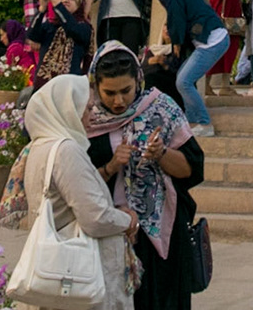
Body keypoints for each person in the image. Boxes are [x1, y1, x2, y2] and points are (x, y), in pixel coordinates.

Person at [0, 72, 139, 310]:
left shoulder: (41, 146)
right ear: (66, 110)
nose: (90, 116)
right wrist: (127, 219)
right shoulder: (66, 151)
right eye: (85, 109)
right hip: (77, 275)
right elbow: (95, 219)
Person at [83, 43, 204, 309]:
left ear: (138, 80)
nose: (119, 101)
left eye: (126, 91)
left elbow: (193, 169)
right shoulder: (85, 118)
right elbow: (78, 181)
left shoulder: (161, 108)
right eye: (109, 93)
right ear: (95, 86)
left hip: (164, 234)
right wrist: (111, 167)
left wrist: (161, 153)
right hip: (110, 231)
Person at [145, 0, 229, 137]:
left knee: (183, 81)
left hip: (212, 42)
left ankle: (204, 123)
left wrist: (176, 43)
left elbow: (177, 22)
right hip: (214, 39)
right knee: (183, 79)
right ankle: (190, 122)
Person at [2, 19, 41, 86]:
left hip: (27, 83)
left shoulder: (15, 47)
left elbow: (6, 73)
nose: (1, 38)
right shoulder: (23, 44)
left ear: (10, 33)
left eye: (2, 34)